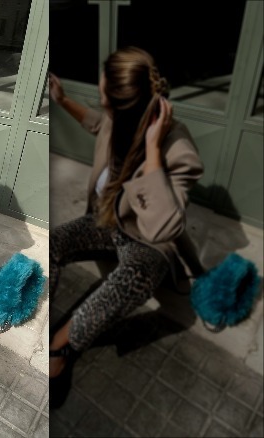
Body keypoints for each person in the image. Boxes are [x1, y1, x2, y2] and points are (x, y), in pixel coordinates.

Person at [47, 46, 203, 408]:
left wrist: (151, 151)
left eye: (108, 100)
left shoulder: (178, 148)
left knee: (127, 280)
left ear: (127, 108)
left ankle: (61, 349)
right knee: (55, 242)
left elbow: (163, 225)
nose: (104, 107)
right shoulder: (116, 120)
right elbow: (98, 123)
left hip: (145, 243)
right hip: (105, 219)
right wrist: (64, 100)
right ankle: (43, 319)